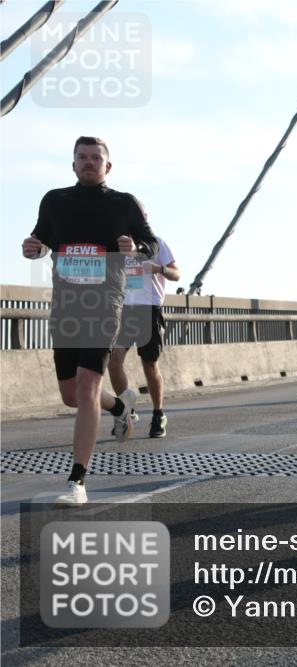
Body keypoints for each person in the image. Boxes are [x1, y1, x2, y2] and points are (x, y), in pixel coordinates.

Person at [22, 136, 159, 507]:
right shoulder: (55, 200)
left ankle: (77, 482)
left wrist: (136, 248)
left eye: (95, 157)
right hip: (66, 306)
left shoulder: (124, 203)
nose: (88, 162)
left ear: (107, 166)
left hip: (105, 304)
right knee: (71, 395)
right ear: (73, 164)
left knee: (86, 389)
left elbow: (151, 245)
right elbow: (41, 240)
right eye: (82, 157)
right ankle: (120, 407)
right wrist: (33, 248)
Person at [107, 235, 179, 438]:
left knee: (149, 364)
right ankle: (126, 411)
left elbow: (176, 274)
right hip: (124, 309)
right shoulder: (120, 241)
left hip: (149, 309)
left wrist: (159, 269)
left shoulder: (156, 242)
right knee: (113, 361)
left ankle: (158, 414)